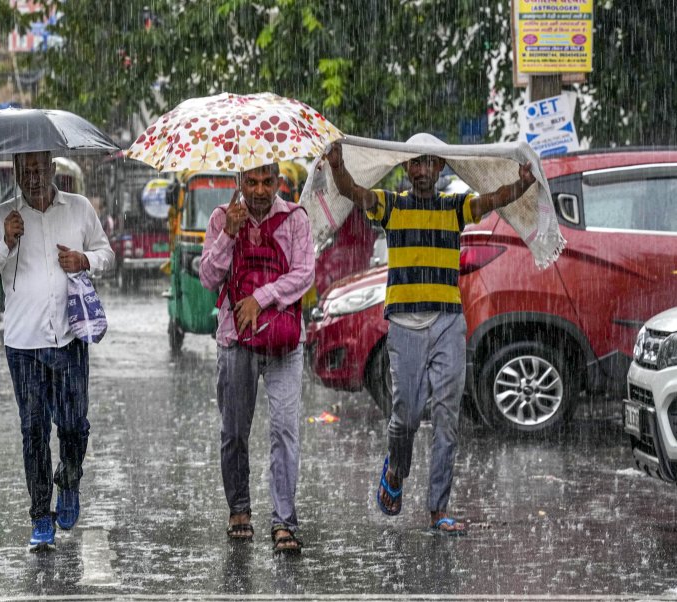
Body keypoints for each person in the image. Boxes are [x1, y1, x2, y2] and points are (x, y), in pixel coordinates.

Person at [325, 136, 536, 535]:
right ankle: (396, 471)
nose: (422, 171)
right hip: (404, 324)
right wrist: (337, 166)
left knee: (446, 418)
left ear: (441, 168)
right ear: (406, 168)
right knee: (404, 418)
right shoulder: (392, 205)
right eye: (415, 164)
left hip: (447, 322)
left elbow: (493, 199)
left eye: (430, 164)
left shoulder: (455, 208)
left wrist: (522, 184)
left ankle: (438, 508)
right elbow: (353, 192)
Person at [0, 151, 115, 552]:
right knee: (33, 431)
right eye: (25, 170)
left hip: (69, 339)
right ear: (16, 172)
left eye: (40, 168)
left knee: (74, 424)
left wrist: (84, 259)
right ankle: (40, 514)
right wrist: (5, 242)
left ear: (53, 169)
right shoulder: (4, 216)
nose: (33, 177)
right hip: (22, 344)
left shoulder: (79, 208)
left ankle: (69, 481)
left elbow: (107, 254)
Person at [199, 163, 315, 554]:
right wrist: (228, 236)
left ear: (279, 182)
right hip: (236, 341)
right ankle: (240, 510)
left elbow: (304, 274)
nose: (260, 190)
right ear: (239, 183)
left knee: (285, 430)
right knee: (234, 432)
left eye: (267, 181)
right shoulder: (220, 218)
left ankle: (284, 521)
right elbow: (208, 278)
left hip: (284, 342)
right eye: (252, 181)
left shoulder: (296, 218)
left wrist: (260, 298)